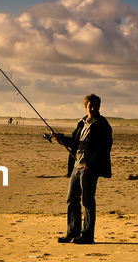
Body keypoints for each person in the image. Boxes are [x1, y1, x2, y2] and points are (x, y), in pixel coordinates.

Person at [47, 93, 112, 244]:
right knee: (72, 199)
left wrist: (91, 164)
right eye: (91, 106)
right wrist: (60, 138)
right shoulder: (82, 122)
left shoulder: (102, 124)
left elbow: (105, 148)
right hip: (77, 165)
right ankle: (72, 232)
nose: (94, 108)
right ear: (85, 106)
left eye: (97, 106)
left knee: (88, 201)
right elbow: (76, 143)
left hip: (89, 168)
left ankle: (87, 235)